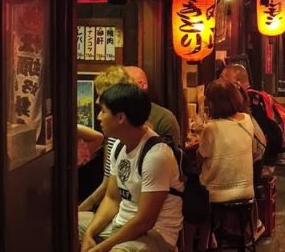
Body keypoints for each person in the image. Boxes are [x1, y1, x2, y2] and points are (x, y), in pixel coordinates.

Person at [79, 84, 183, 252]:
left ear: (120, 117)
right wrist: (88, 234)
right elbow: (112, 199)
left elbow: (145, 221)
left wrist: (101, 248)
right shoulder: (119, 145)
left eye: (103, 111)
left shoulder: (156, 155)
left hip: (154, 235)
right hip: (121, 225)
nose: (99, 117)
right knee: (70, 225)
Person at [81, 66, 182, 212]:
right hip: (120, 209)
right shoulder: (116, 136)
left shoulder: (144, 134)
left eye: (102, 96)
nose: (97, 101)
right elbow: (109, 187)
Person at [198, 79, 266, 245]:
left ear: (212, 103)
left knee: (193, 193)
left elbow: (201, 155)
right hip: (246, 192)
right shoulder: (246, 120)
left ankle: (205, 241)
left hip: (216, 194)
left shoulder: (211, 128)